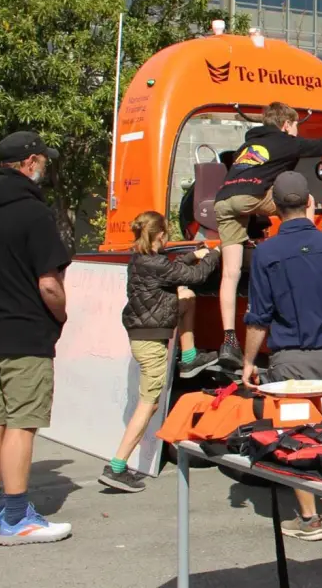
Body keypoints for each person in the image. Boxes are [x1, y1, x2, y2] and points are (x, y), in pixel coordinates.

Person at [240, 171, 322, 541]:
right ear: (310, 203)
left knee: (294, 435)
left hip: (287, 362)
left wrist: (249, 362)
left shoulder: (265, 253)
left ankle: (310, 520)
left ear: (276, 209)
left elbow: (258, 317)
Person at [212, 102, 322, 369]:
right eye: (295, 126)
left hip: (224, 198)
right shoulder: (286, 142)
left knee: (230, 273)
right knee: (298, 199)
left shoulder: (246, 146)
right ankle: (308, 242)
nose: (296, 132)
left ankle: (228, 340)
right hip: (252, 198)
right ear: (286, 125)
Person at [0, 131, 73, 545]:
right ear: (29, 162)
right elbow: (49, 283)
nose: (45, 165)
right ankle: (16, 517)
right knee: (22, 426)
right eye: (43, 159)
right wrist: (61, 315)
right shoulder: (33, 213)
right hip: (26, 331)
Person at [98, 211, 222, 493]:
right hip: (151, 340)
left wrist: (194, 253)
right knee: (149, 403)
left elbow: (178, 269)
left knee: (186, 297)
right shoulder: (154, 264)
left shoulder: (142, 260)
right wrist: (215, 253)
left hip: (143, 333)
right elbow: (197, 276)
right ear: (161, 235)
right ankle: (117, 466)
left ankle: (189, 356)